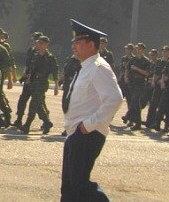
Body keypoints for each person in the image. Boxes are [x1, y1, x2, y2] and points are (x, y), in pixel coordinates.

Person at [60, 19, 123, 201]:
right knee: (69, 187)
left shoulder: (98, 67)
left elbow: (115, 98)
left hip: (87, 134)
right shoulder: (85, 67)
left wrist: (90, 124)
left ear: (92, 45)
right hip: (75, 132)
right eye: (74, 42)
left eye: (79, 42)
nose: (74, 46)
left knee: (80, 185)